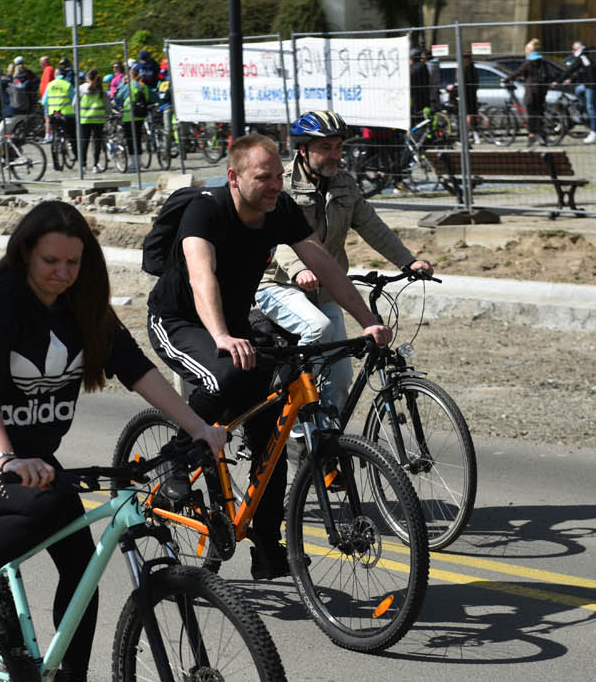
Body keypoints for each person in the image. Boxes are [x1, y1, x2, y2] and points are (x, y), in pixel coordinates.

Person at [0, 200, 227, 682]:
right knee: (44, 505)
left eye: (73, 262)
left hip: (34, 462)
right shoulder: (1, 302)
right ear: (25, 255)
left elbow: (138, 370)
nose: (63, 274)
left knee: (79, 565)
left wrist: (196, 426)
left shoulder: (84, 306)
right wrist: (7, 457)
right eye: (51, 262)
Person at [146, 132, 392, 580]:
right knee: (222, 376)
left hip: (234, 326)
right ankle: (173, 462)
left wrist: (366, 320)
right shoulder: (207, 210)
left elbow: (325, 266)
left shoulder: (279, 210)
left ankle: (266, 543)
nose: (275, 184)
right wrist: (220, 334)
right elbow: (203, 277)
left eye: (279, 176)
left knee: (272, 430)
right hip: (181, 321)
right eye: (264, 177)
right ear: (234, 178)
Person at [255, 110, 432, 423]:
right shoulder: (282, 186)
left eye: (338, 147)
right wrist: (299, 268)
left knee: (340, 377)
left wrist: (408, 260)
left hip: (325, 291)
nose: (335, 155)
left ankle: (326, 446)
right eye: (325, 148)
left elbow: (372, 226)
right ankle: (296, 420)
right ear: (303, 149)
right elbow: (278, 237)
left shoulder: (344, 185)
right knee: (317, 328)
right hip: (279, 285)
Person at [553, 40, 596, 143]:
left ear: (579, 48)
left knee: (590, 106)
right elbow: (580, 70)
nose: (573, 51)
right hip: (588, 84)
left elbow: (572, 68)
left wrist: (558, 80)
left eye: (574, 49)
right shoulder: (587, 55)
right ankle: (584, 108)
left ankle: (595, 131)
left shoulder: (584, 56)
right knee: (578, 91)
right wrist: (571, 79)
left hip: (592, 85)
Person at [510, 39, 550, 145]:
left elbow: (518, 72)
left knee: (531, 113)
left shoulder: (529, 62)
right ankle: (540, 135)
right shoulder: (542, 61)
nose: (525, 52)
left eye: (526, 50)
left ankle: (532, 135)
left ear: (529, 50)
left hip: (531, 92)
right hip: (542, 91)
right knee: (539, 112)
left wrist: (507, 79)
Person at [76, 67, 106, 169]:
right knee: (97, 143)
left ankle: (83, 165)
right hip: (99, 119)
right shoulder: (101, 89)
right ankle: (95, 165)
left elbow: (74, 103)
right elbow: (108, 104)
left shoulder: (81, 88)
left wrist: (78, 114)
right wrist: (109, 113)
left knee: (84, 141)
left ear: (87, 77)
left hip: (85, 119)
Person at [42, 64, 74, 143]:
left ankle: (54, 144)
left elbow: (44, 101)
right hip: (67, 114)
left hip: (53, 114)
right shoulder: (68, 85)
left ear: (55, 74)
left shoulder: (50, 85)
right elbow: (74, 100)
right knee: (72, 136)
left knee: (55, 130)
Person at [408, 47, 440, 124]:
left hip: (417, 100)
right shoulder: (423, 66)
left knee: (417, 119)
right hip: (423, 98)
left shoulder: (415, 68)